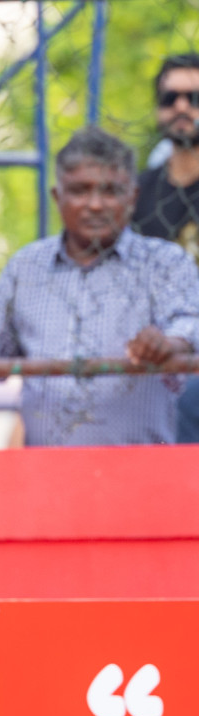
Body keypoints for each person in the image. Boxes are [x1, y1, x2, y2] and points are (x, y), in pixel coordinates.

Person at [0, 128, 199, 447]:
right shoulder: (26, 268)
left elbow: (190, 323)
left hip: (142, 475)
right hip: (47, 478)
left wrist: (170, 344)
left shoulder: (165, 263)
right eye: (80, 190)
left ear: (133, 196)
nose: (96, 204)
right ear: (58, 196)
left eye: (110, 191)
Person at [132, 54, 199, 443]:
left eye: (193, 97)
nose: (181, 107)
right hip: (154, 349)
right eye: (169, 98)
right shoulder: (137, 193)